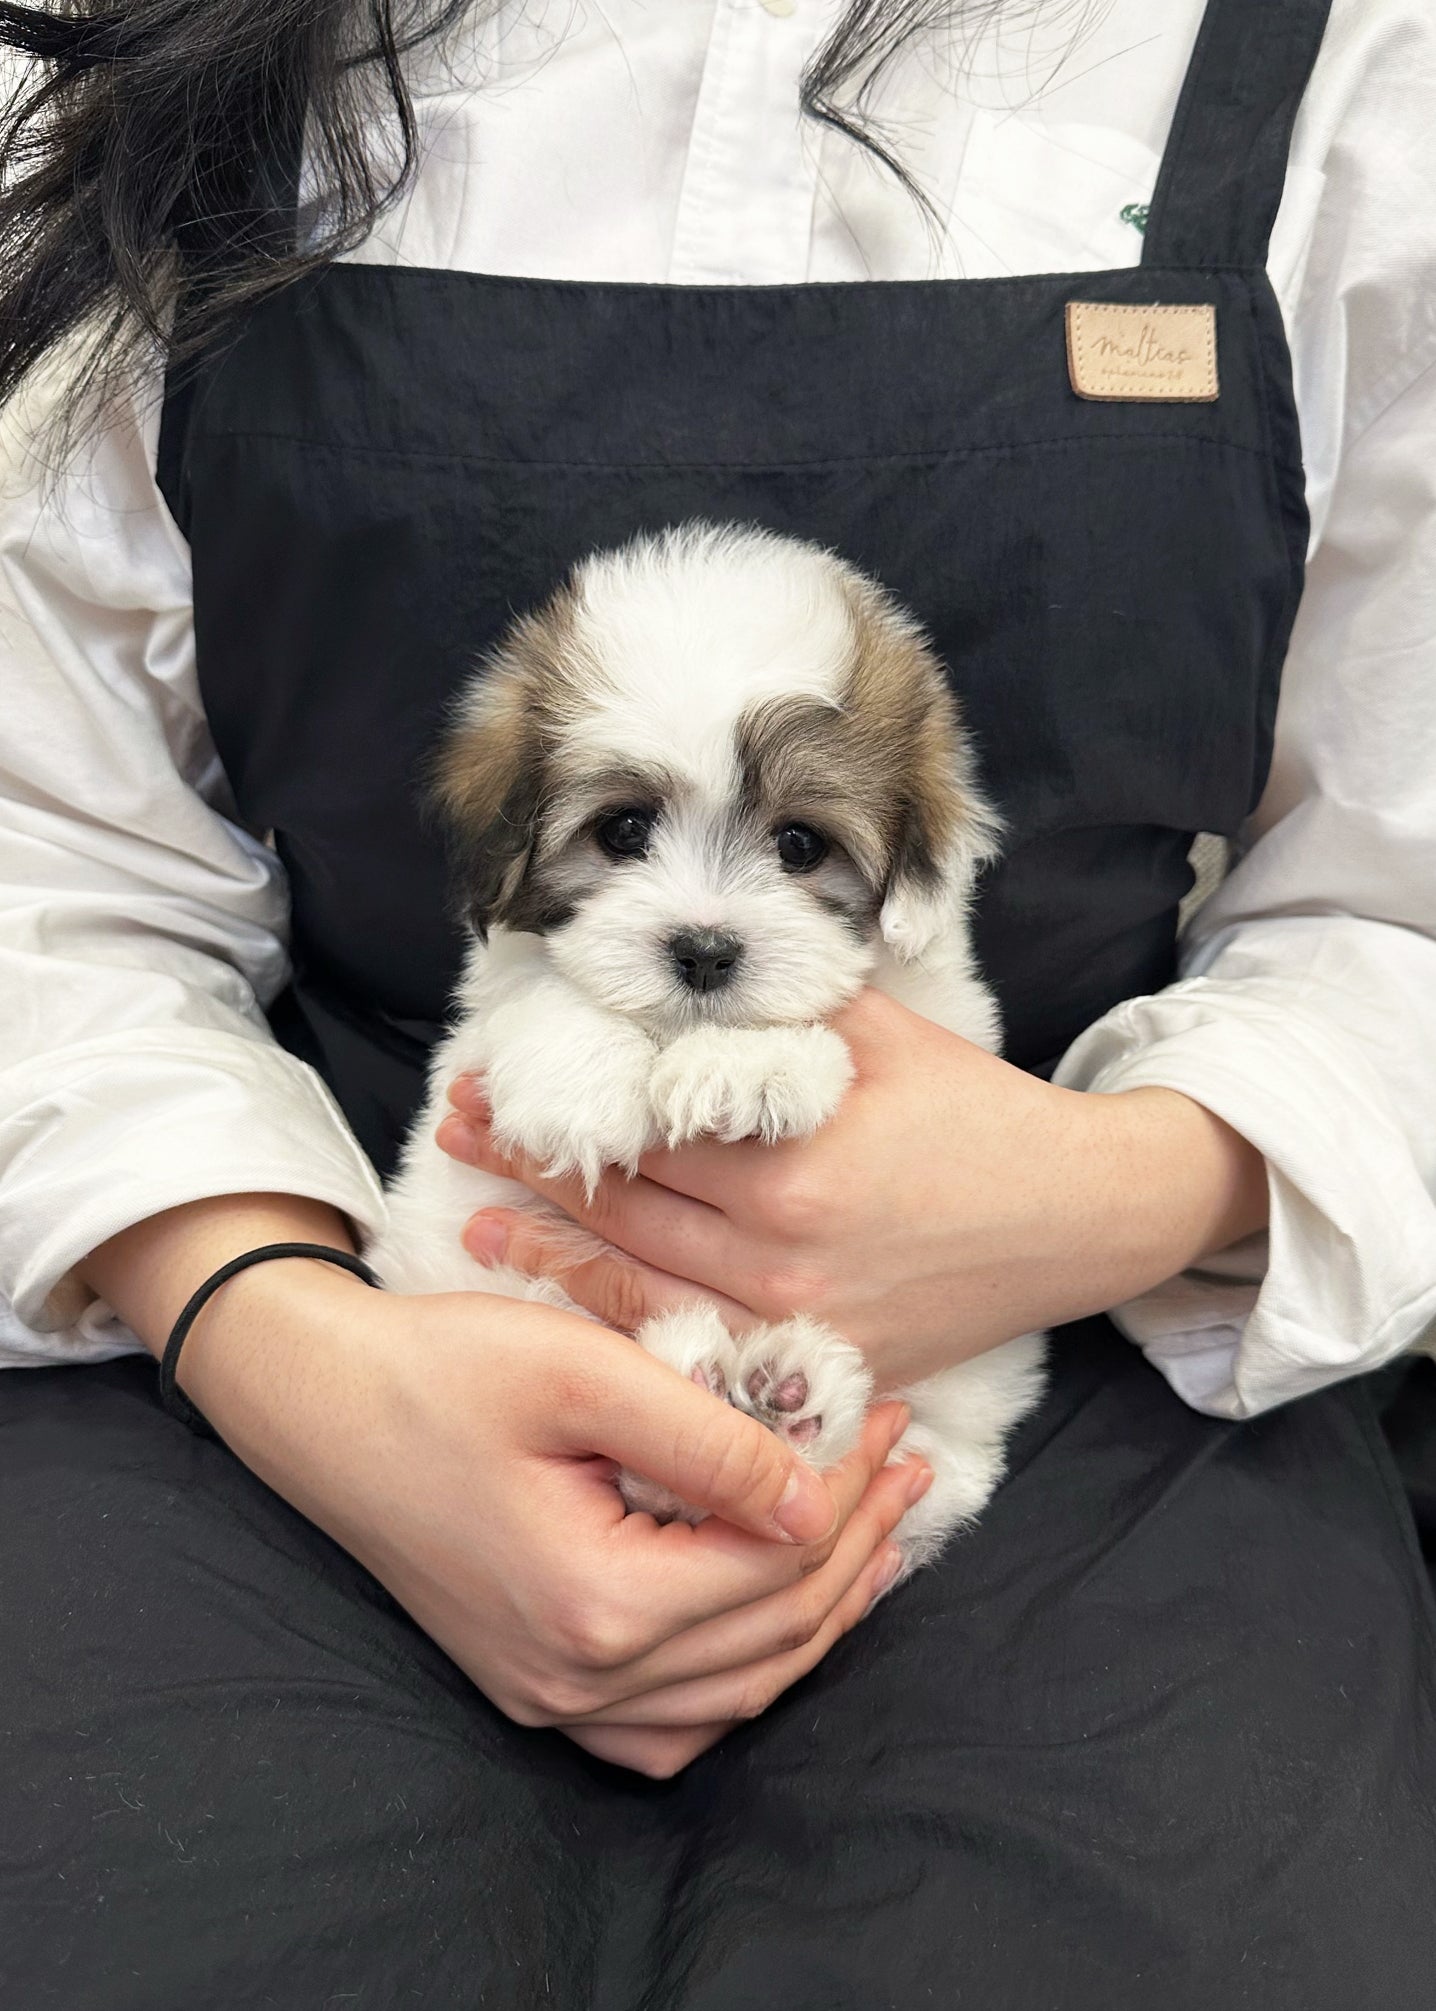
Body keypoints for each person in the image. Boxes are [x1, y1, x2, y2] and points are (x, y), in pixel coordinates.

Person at [2, 0, 1435, 2002]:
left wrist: (1113, 1191)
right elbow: (48, 857)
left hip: (1109, 1370)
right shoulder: (148, 45)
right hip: (295, 1315)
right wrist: (270, 1326)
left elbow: (1400, 896)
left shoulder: (1363, 61)